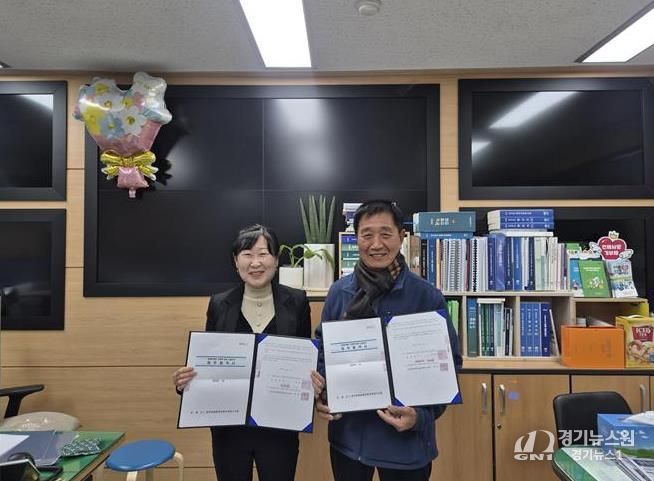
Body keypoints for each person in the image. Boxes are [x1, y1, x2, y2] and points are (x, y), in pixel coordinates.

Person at [312, 200, 462, 481]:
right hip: (350, 441)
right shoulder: (339, 293)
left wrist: (420, 417)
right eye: (367, 235)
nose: (376, 244)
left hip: (405, 445)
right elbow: (323, 351)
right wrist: (323, 393)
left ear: (401, 237)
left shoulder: (425, 296)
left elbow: (449, 366)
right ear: (356, 239)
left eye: (386, 234)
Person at [173, 224, 311, 481]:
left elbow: (305, 362)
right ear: (236, 261)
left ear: (276, 259)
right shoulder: (219, 304)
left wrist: (313, 381)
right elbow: (209, 363)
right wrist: (186, 383)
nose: (255, 262)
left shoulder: (297, 301)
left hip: (279, 426)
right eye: (247, 254)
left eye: (263, 254)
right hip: (229, 428)